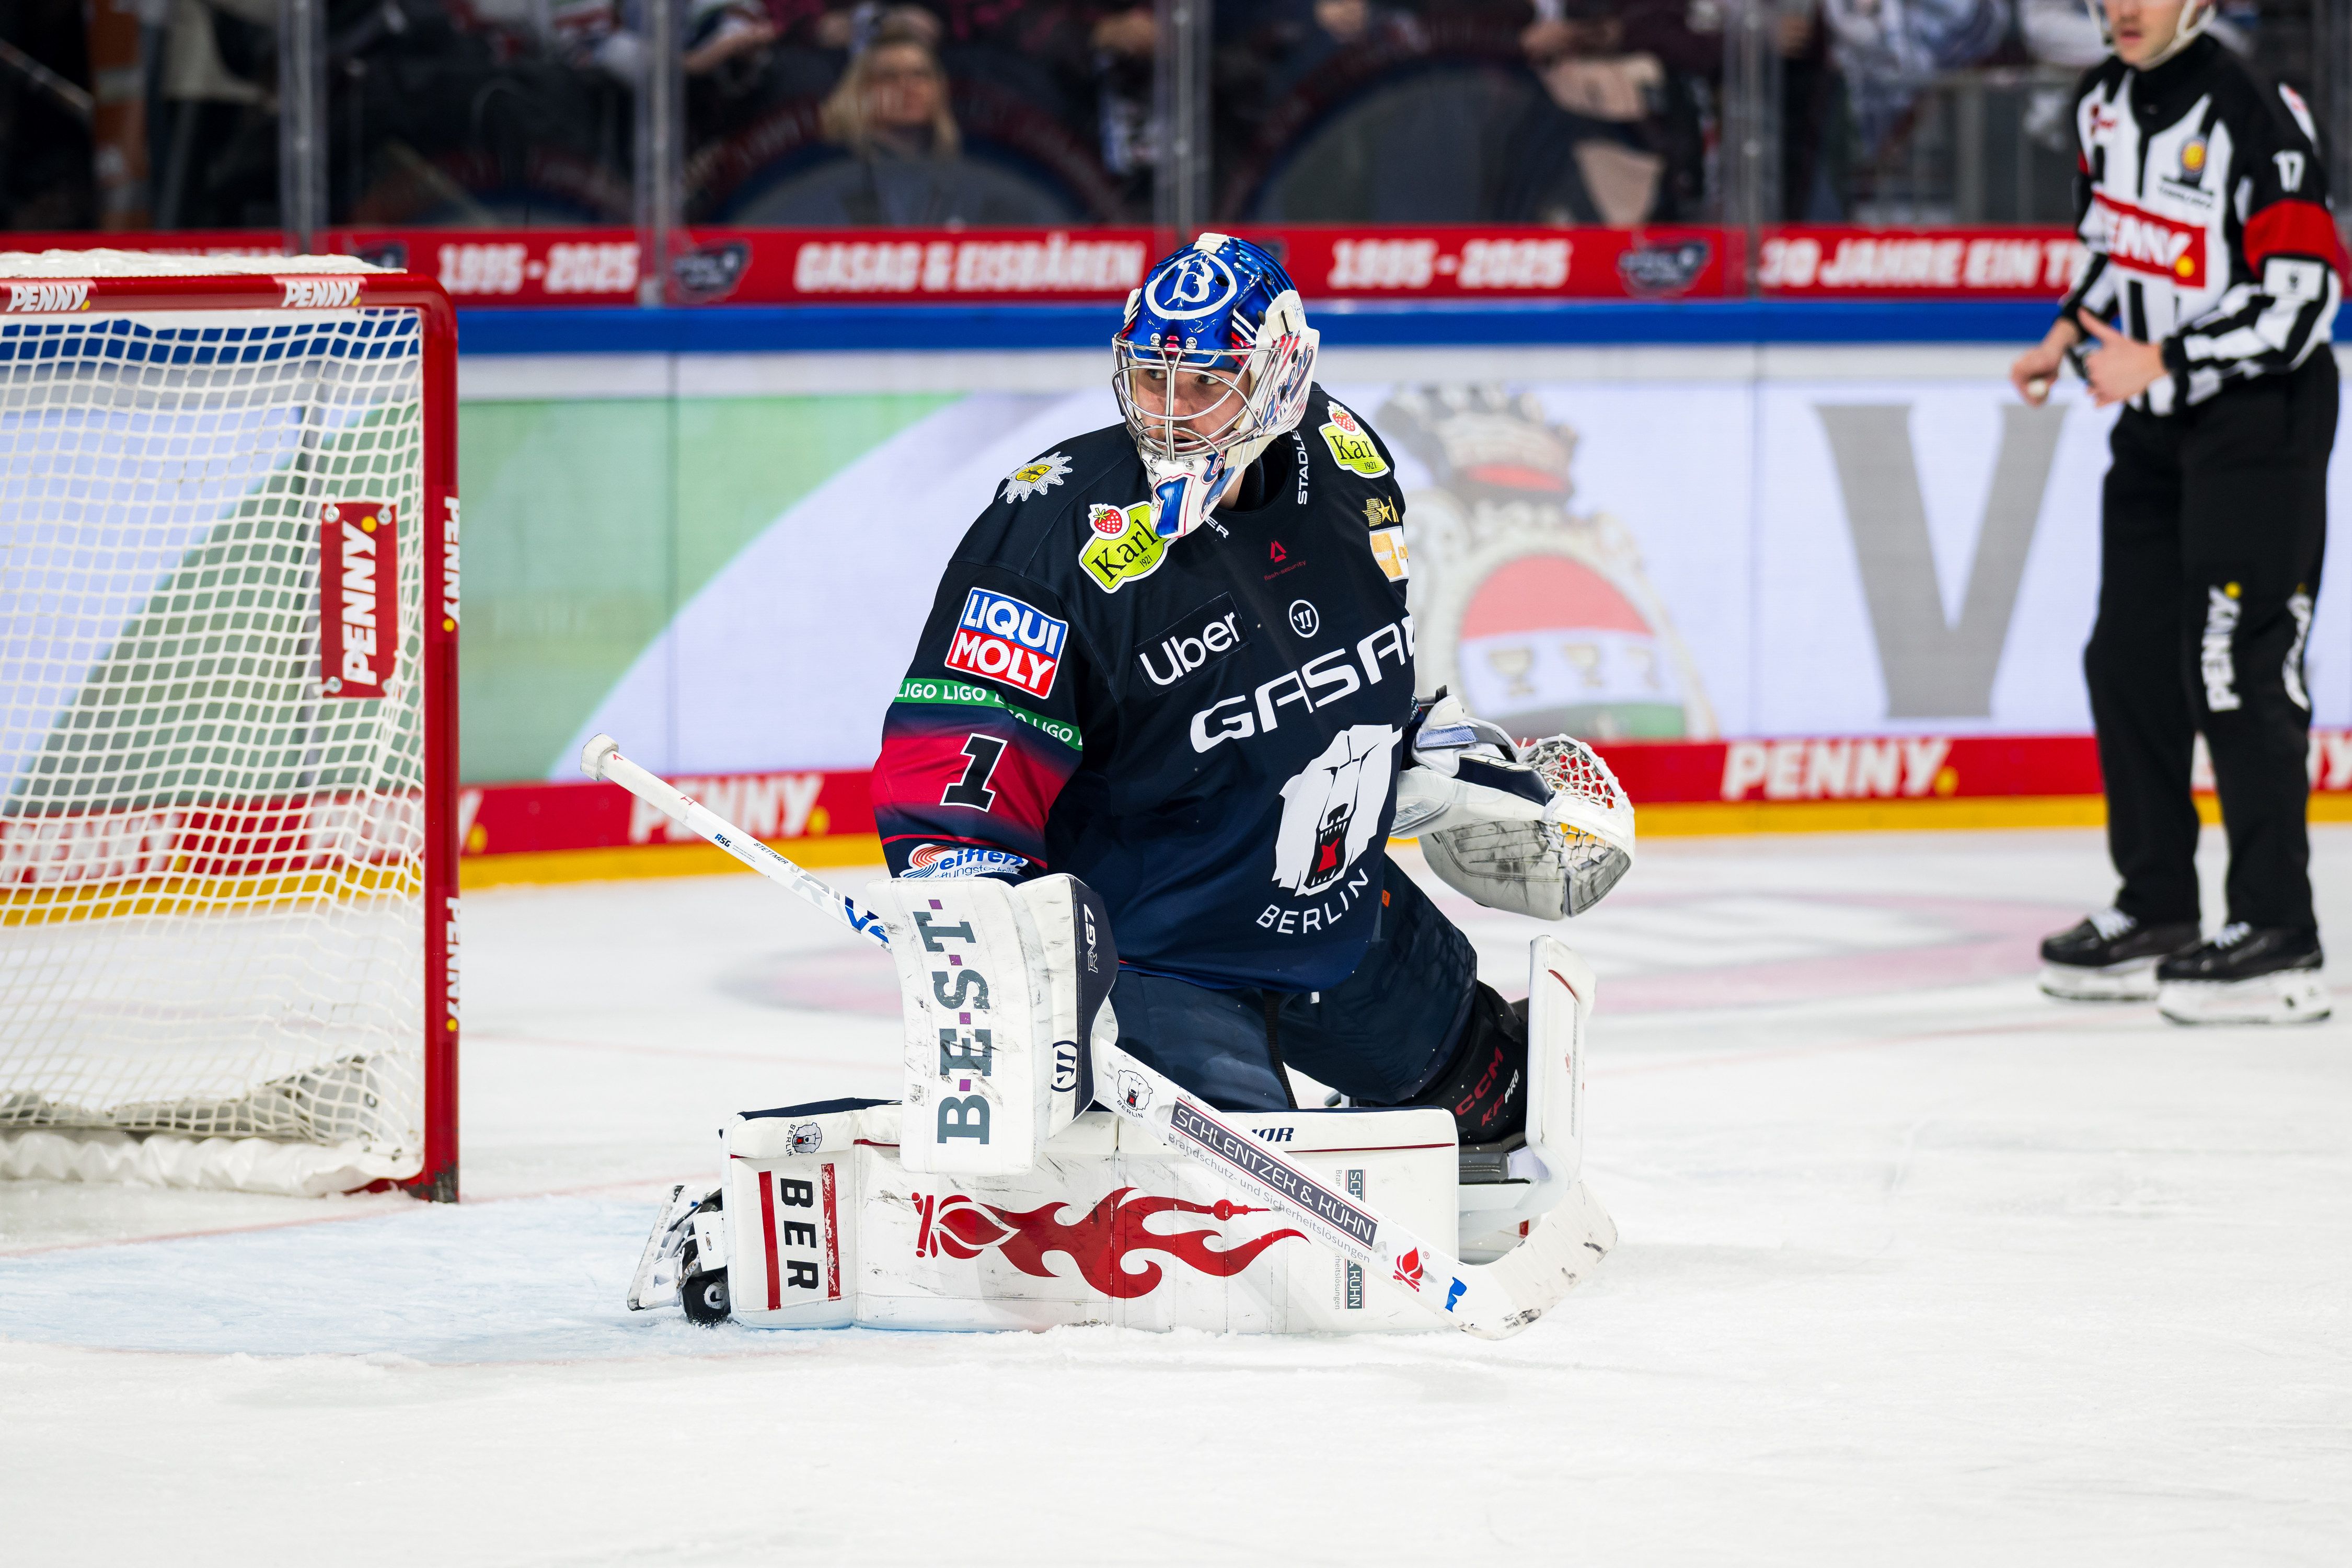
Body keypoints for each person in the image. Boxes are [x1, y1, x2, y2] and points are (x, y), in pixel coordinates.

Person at [868, 234, 1631, 1143]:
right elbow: (956, 771)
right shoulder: (1050, 534)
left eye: (1205, 383)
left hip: (1332, 914)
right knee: (1256, 1237)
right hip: (1161, 952)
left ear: (1279, 376)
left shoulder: (1347, 461)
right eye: (1152, 379)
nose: (1171, 414)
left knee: (1506, 1109)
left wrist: (1418, 747)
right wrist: (992, 938)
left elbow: (1344, 665)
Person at [2013, 0, 2343, 1024]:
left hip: (2261, 420)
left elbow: (2305, 294)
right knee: (2126, 657)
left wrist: (2164, 356)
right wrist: (2068, 334)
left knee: (2235, 666)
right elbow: (2116, 245)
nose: (2123, 8)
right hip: (2156, 427)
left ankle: (2279, 932)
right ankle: (2158, 904)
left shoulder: (2252, 106)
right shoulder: (2102, 101)